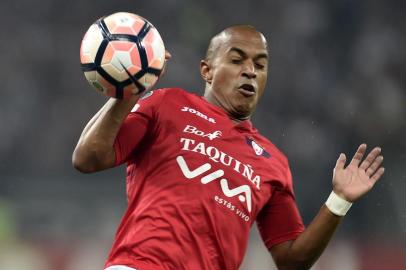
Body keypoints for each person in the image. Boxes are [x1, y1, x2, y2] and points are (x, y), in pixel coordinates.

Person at [72, 25, 385, 270]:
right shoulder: (168, 104)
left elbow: (291, 261)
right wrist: (130, 90)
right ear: (206, 70)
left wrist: (339, 200)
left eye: (260, 65)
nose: (250, 70)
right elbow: (88, 158)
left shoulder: (273, 163)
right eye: (237, 60)